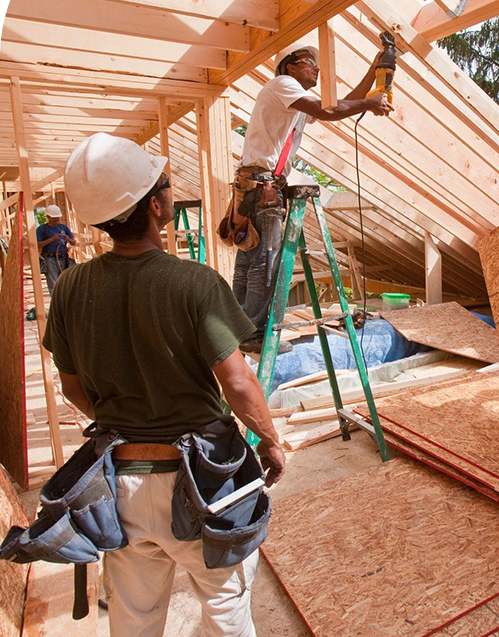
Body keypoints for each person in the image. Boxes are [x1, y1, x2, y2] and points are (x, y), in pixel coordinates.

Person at [42, 132, 287, 637]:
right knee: (225, 608)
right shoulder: (194, 283)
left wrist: (129, 419)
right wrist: (270, 439)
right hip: (203, 481)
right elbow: (238, 384)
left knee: (134, 619)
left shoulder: (70, 288)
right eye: (167, 187)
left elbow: (72, 389)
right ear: (156, 205)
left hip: (119, 484)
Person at [230, 43, 393, 352]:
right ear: (290, 67)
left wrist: (374, 72)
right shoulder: (283, 85)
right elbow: (329, 110)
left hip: (256, 185)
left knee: (251, 258)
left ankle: (236, 327)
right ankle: (251, 332)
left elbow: (339, 104)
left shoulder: (292, 102)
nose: (317, 69)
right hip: (262, 186)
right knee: (264, 261)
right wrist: (370, 104)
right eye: (310, 63)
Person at [36, 204, 76, 293]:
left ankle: (65, 304)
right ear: (47, 216)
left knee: (66, 282)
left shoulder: (63, 227)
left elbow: (74, 243)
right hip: (50, 259)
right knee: (53, 284)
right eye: (53, 218)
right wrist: (52, 239)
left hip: (63, 258)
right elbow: (38, 245)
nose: (56, 220)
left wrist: (68, 239)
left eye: (57, 218)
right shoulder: (42, 229)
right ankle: (56, 305)